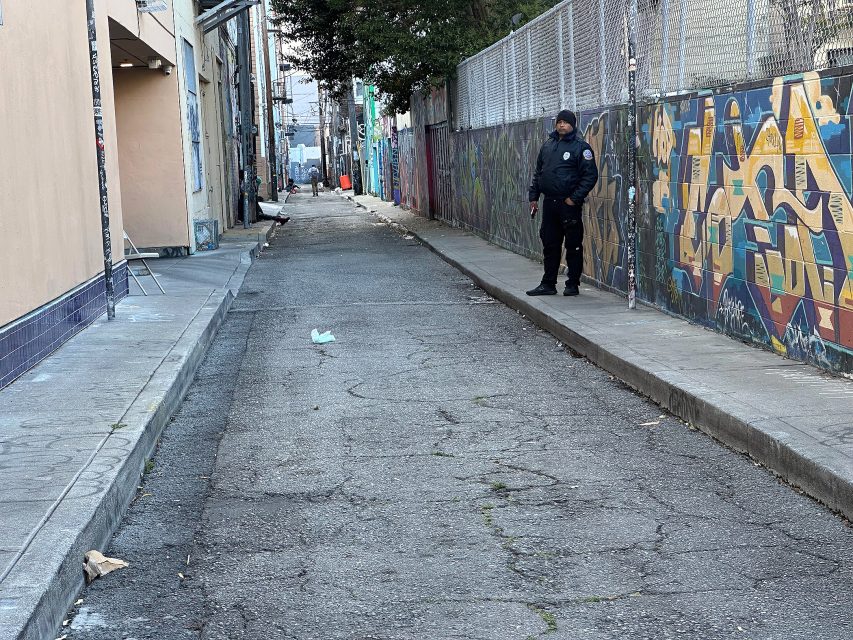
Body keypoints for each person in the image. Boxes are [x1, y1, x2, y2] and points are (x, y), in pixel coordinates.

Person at [527, 109, 599, 297]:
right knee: (550, 244)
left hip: (568, 206)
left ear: (572, 125)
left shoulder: (580, 148)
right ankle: (548, 283)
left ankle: (572, 284)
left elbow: (590, 176)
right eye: (559, 122)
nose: (561, 125)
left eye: (565, 122)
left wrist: (573, 199)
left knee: (573, 245)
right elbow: (538, 173)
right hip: (549, 204)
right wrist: (533, 197)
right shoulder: (548, 145)